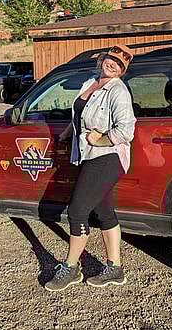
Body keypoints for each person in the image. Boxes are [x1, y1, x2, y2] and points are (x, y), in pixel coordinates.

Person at [44, 45, 137, 292]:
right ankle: (115, 269)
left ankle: (71, 267)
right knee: (104, 212)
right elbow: (79, 115)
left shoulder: (118, 91)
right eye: (111, 59)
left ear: (122, 71)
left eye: (119, 65)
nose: (113, 65)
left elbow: (126, 131)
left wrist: (101, 139)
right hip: (88, 155)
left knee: (77, 211)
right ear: (103, 59)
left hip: (107, 156)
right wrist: (66, 134)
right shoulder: (90, 82)